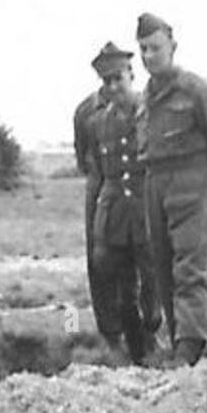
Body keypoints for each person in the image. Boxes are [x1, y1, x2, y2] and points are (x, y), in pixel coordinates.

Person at [135, 11, 207, 366]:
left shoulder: (198, 92)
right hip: (155, 186)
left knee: (188, 270)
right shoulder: (145, 99)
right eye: (144, 50)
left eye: (156, 48)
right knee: (162, 270)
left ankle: (189, 349)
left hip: (193, 184)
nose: (150, 56)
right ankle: (177, 341)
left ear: (173, 47)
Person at [86, 42, 157, 363]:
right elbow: (99, 177)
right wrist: (97, 227)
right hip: (116, 217)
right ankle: (136, 352)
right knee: (124, 290)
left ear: (132, 74)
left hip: (148, 211)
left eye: (118, 79)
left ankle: (156, 339)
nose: (113, 87)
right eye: (107, 81)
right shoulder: (98, 123)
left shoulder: (152, 111)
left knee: (154, 284)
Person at [74, 51, 110, 345]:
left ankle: (147, 329)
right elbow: (82, 158)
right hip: (99, 185)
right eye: (105, 75)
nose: (111, 81)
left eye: (118, 75)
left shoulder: (142, 105)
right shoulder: (85, 111)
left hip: (136, 187)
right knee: (99, 258)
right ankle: (110, 331)